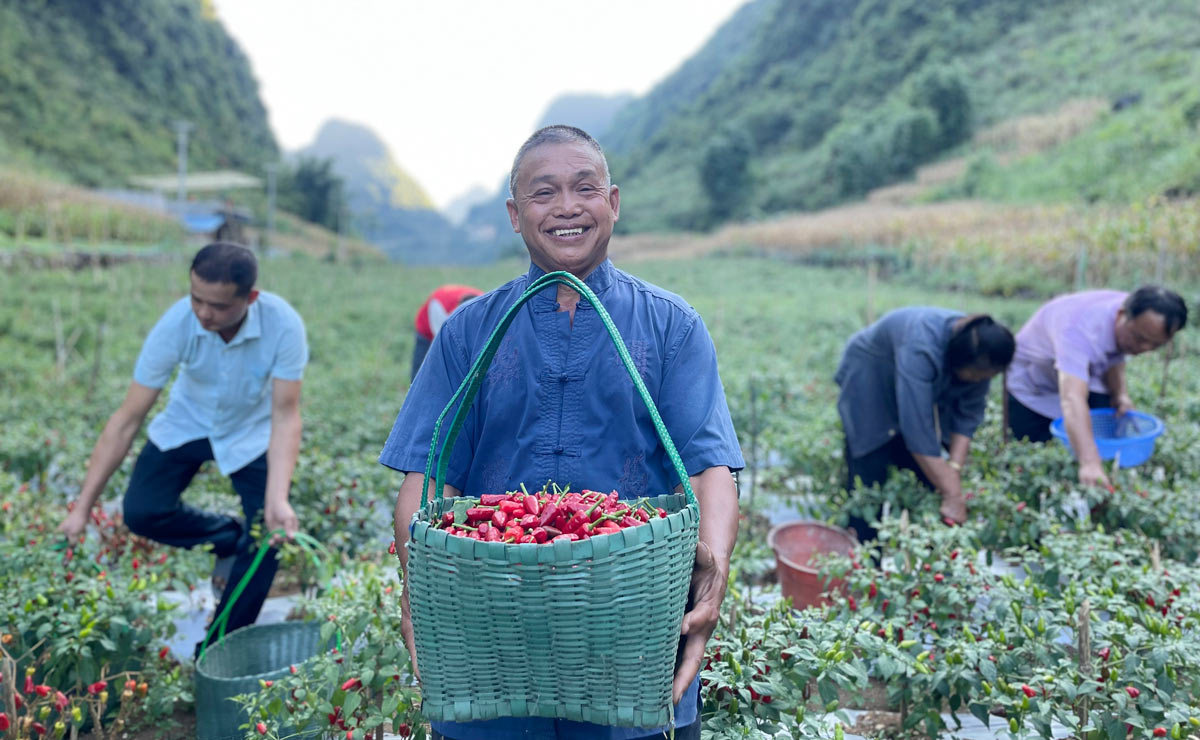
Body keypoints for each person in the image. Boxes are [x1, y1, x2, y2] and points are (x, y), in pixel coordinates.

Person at [381, 125, 744, 740]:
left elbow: (710, 467)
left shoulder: (672, 326)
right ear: (514, 215)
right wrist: (419, 587)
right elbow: (429, 473)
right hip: (490, 623)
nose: (567, 207)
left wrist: (714, 568)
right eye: (544, 193)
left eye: (585, 188)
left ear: (614, 202)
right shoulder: (469, 331)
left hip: (630, 625)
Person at [58, 242, 307, 655]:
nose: (204, 313)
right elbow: (126, 420)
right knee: (142, 512)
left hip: (250, 432)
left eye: (219, 306)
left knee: (267, 537)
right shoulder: (177, 324)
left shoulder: (282, 325)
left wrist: (277, 498)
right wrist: (82, 508)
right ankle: (227, 535)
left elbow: (285, 416)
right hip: (188, 422)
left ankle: (217, 649)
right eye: (196, 299)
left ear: (250, 298)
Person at [835, 308, 1015, 540]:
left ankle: (920, 542)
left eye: (988, 377)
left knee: (929, 475)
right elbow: (917, 429)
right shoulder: (922, 345)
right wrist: (952, 494)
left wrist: (953, 471)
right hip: (872, 376)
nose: (982, 381)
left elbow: (967, 417)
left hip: (909, 376)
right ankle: (863, 547)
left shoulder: (983, 353)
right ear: (959, 360)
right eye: (978, 376)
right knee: (870, 471)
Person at [1006, 286, 1187, 487]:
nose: (1144, 348)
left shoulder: (1137, 311)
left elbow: (1116, 351)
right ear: (1121, 314)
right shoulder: (1078, 329)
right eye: (1139, 339)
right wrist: (1090, 462)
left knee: (1102, 431)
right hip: (1033, 382)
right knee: (1035, 457)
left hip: (1080, 370)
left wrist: (1120, 394)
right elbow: (1072, 398)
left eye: (1155, 345)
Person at [411, 284, 482, 381]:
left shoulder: (486, 307)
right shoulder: (440, 308)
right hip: (427, 331)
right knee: (420, 373)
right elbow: (441, 345)